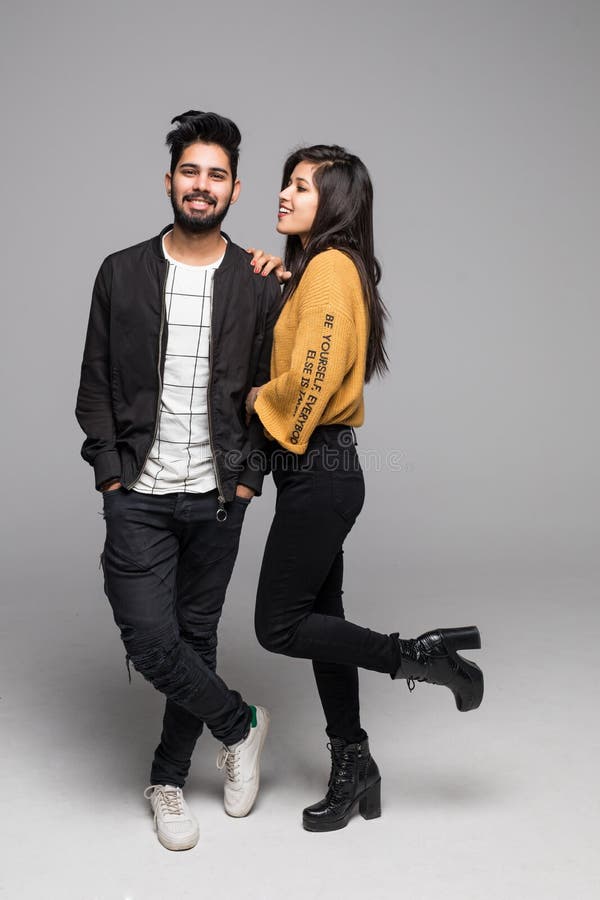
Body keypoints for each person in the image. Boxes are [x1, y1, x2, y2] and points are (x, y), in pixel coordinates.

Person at [245, 145, 484, 833]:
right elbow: (310, 341)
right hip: (318, 475)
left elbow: (311, 379)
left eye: (300, 187)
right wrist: (275, 278)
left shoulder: (326, 267)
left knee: (278, 626)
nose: (284, 195)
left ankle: (420, 657)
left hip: (319, 472)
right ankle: (356, 765)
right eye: (285, 184)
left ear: (335, 202)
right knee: (324, 629)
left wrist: (257, 396)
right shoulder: (319, 270)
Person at [75, 110, 281, 850]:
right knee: (151, 638)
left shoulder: (260, 284)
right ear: (170, 181)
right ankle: (241, 725)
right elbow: (95, 382)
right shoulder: (121, 271)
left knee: (196, 640)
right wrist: (110, 477)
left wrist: (250, 480)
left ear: (234, 189)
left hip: (219, 499)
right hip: (140, 494)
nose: (202, 185)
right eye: (190, 171)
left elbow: (277, 392)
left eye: (216, 175)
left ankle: (167, 779)